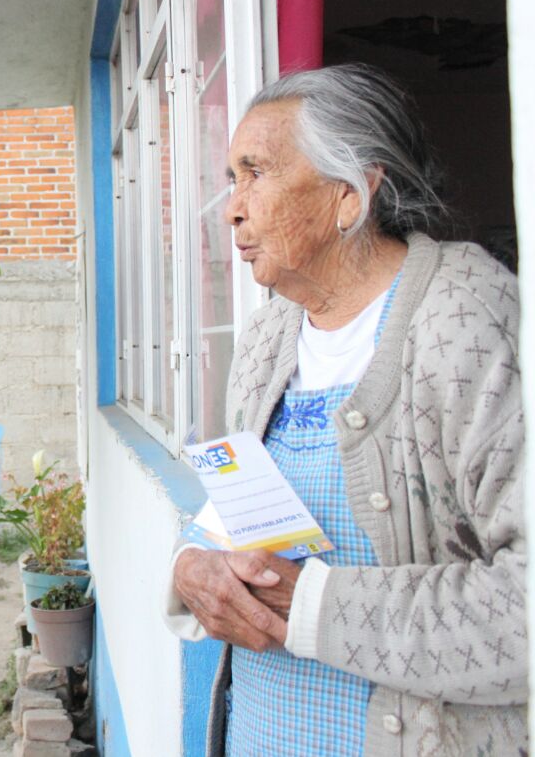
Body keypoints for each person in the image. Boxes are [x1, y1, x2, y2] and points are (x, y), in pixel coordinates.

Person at [165, 64, 526, 755]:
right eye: (231, 178)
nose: (232, 207)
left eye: (256, 173)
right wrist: (190, 565)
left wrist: (313, 608)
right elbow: (242, 510)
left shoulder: (466, 314)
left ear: (351, 195)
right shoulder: (272, 333)